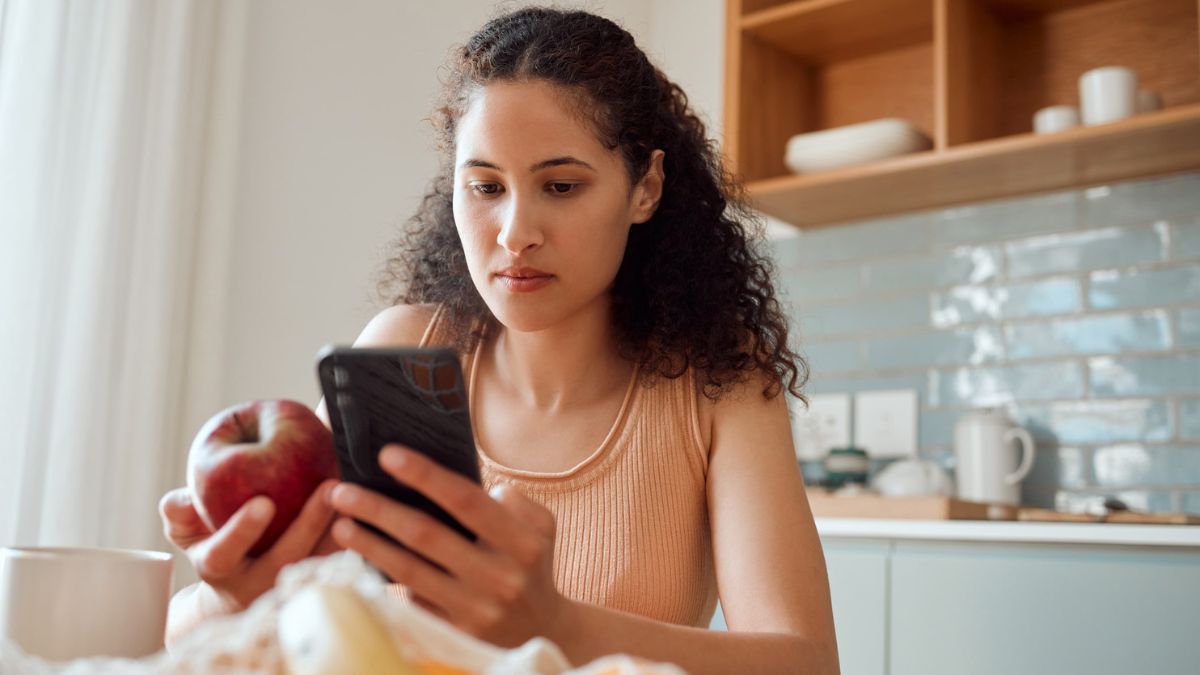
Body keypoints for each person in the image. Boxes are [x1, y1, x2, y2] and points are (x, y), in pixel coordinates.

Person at [158, 7, 838, 673]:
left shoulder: (720, 380)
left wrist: (559, 626)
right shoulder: (403, 349)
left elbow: (808, 663)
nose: (515, 232)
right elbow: (193, 633)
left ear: (646, 188)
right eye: (485, 185)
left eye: (562, 185)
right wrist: (228, 596)